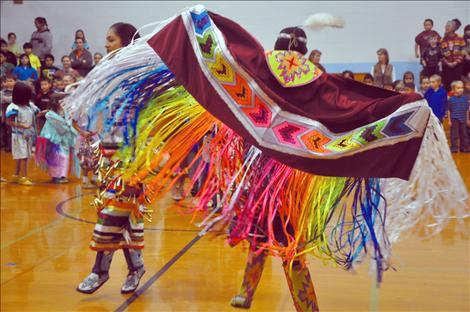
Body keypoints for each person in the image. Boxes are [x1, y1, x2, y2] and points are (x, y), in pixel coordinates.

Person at [66, 7, 468, 311]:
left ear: (277, 48)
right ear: (304, 52)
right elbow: (354, 105)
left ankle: (276, 299)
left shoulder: (258, 71)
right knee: (273, 241)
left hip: (268, 176)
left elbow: (216, 61)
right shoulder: (316, 83)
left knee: (272, 241)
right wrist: (407, 106)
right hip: (285, 176)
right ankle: (258, 295)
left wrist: (195, 22)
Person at [75, 21, 146, 295]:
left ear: (126, 42)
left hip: (133, 158)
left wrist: (141, 164)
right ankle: (135, 267)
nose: (106, 44)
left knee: (113, 213)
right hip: (110, 152)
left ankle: (99, 271)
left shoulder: (138, 76)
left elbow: (144, 121)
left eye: (111, 39)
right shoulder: (111, 73)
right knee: (122, 217)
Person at [35, 94, 80, 183]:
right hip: (54, 139)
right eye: (63, 101)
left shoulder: (67, 112)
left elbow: (68, 123)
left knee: (65, 157)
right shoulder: (51, 115)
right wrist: (68, 127)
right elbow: (62, 126)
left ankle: (62, 176)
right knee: (57, 157)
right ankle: (56, 176)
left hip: (64, 139)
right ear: (56, 103)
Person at [5, 82, 39, 186]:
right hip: (18, 135)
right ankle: (24, 177)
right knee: (23, 156)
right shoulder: (13, 107)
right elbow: (8, 121)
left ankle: (16, 175)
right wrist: (22, 125)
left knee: (22, 155)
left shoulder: (29, 106)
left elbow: (36, 113)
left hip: (27, 135)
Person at [441, 19, 466, 91]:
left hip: (458, 65)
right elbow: (441, 53)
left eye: (449, 26)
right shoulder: (442, 40)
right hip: (446, 66)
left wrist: (455, 62)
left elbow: (463, 51)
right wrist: (447, 63)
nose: (446, 27)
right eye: (446, 26)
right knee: (447, 84)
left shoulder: (460, 38)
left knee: (456, 84)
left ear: (454, 27)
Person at [447, 80, 469, 153]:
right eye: (458, 88)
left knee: (464, 134)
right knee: (454, 135)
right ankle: (454, 148)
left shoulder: (465, 98)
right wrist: (449, 120)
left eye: (462, 87)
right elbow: (449, 111)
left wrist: (467, 119)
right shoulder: (451, 99)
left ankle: (464, 147)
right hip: (454, 119)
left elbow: (467, 110)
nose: (461, 89)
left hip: (463, 119)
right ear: (453, 90)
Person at [1, 74, 16, 151]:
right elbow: (2, 100)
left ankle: (10, 145)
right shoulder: (2, 92)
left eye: (11, 81)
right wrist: (10, 99)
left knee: (11, 130)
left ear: (15, 82)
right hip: (4, 112)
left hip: (13, 113)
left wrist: (7, 99)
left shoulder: (17, 91)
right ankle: (3, 144)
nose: (9, 82)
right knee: (4, 129)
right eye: (7, 81)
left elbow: (15, 100)